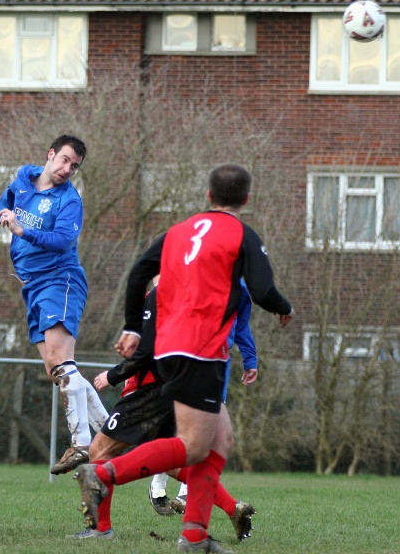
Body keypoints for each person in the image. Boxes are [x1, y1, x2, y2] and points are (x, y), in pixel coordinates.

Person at [75, 163, 295, 554]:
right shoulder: (242, 234)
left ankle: (195, 535)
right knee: (194, 446)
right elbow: (261, 290)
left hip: (169, 350)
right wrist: (284, 307)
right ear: (246, 199)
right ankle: (105, 473)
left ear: (208, 196)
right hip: (201, 349)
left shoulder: (176, 232)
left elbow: (139, 272)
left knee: (220, 439)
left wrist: (130, 326)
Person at [67, 283, 254, 542]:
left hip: (150, 390)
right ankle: (233, 508)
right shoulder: (193, 295)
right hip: (179, 388)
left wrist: (114, 375)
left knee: (100, 451)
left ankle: (101, 529)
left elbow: (148, 352)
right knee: (175, 465)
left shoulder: (162, 293)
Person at [0, 134, 108, 475]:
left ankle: (81, 444)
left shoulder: (69, 201)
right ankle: (110, 430)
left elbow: (64, 240)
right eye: (64, 160)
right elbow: (7, 202)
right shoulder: (24, 177)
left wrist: (23, 231)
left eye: (75, 166)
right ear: (51, 155)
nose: (68, 169)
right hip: (32, 287)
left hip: (60, 280)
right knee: (57, 369)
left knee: (62, 361)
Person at [149, 278, 257, 517]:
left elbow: (241, 325)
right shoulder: (195, 273)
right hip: (186, 359)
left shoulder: (241, 287)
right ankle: (157, 485)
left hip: (219, 364)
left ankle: (186, 492)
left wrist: (250, 359)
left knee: (207, 433)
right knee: (177, 427)